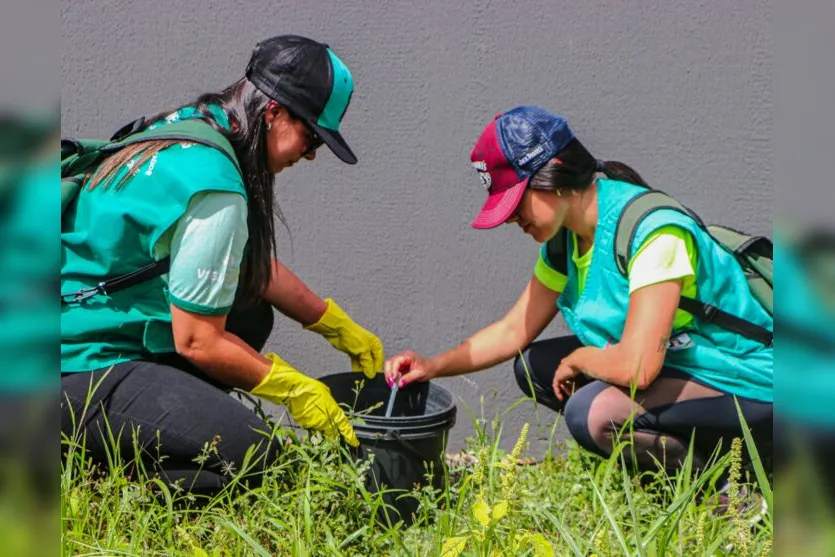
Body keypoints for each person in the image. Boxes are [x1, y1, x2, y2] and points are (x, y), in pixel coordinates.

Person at [61, 35, 384, 496]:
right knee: (262, 462)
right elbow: (197, 341)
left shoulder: (195, 126)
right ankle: (105, 476)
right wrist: (295, 389)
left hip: (72, 334)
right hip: (70, 369)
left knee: (249, 312)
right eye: (312, 136)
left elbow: (237, 260)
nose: (310, 154)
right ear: (273, 112)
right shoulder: (217, 189)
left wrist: (332, 323)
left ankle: (152, 428)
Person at [384, 106, 773, 479]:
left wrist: (580, 358)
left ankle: (727, 488)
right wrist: (432, 366)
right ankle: (676, 463)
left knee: (592, 413)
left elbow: (638, 368)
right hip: (682, 362)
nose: (512, 219)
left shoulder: (654, 232)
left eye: (516, 202)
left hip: (749, 376)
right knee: (534, 366)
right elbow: (512, 331)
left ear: (553, 173)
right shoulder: (566, 243)